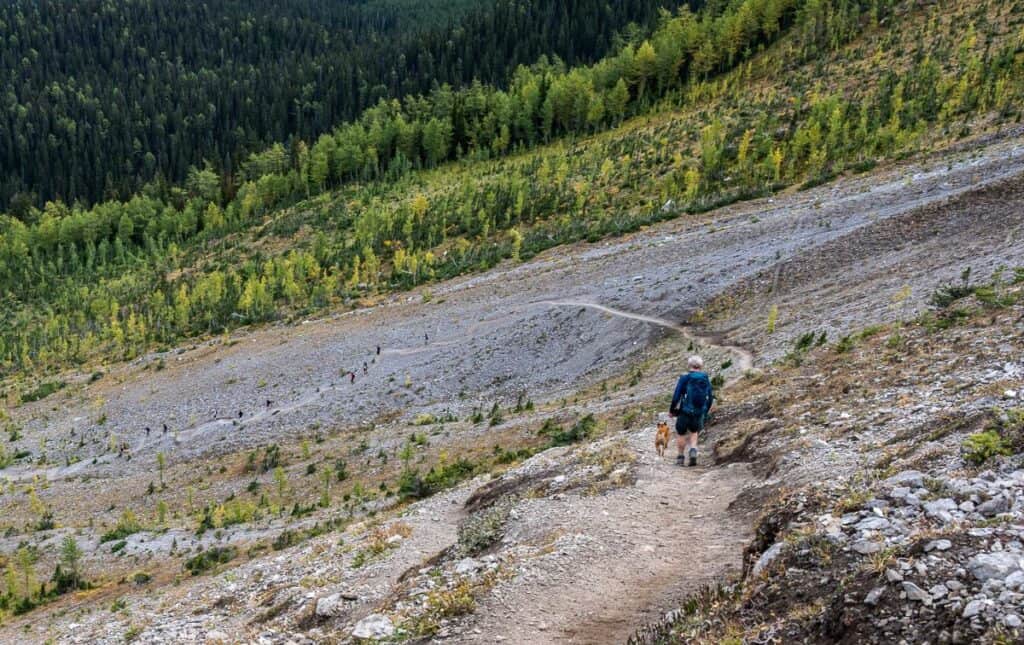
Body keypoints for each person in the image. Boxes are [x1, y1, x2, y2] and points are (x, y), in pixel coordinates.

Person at [669, 355, 714, 467]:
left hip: (685, 411)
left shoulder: (685, 378)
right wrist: (705, 411)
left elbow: (676, 396)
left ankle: (680, 457)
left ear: (689, 365)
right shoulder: (705, 378)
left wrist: (672, 410)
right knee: (694, 431)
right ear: (700, 365)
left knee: (681, 432)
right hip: (699, 411)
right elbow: (710, 397)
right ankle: (693, 450)